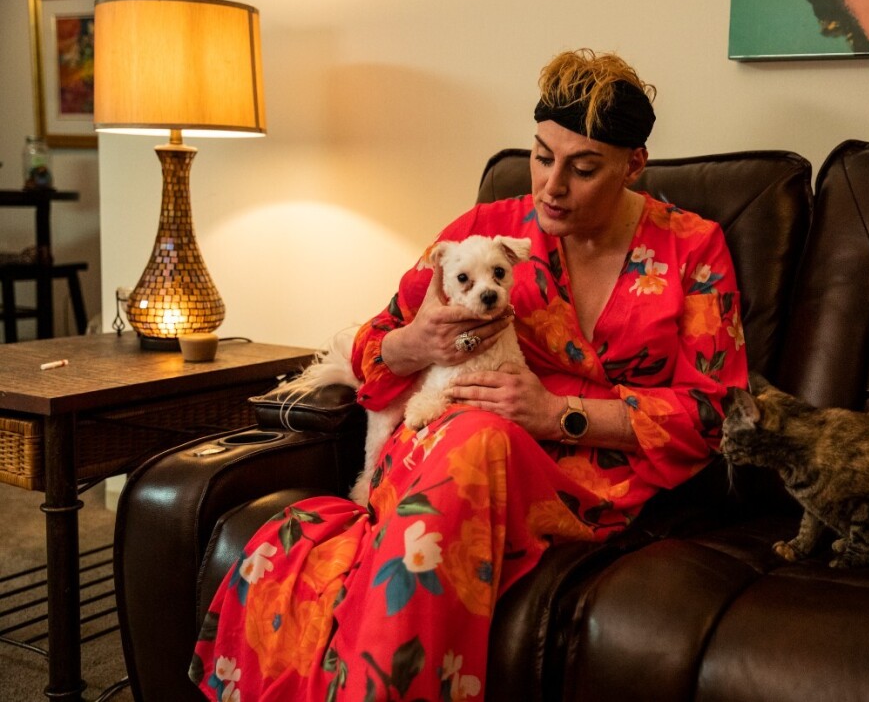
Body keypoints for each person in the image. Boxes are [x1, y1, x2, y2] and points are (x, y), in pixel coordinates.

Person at [191, 48, 749, 701]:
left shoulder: (692, 246)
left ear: (633, 164)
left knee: (479, 437)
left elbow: (716, 414)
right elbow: (373, 354)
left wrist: (557, 412)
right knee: (473, 436)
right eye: (541, 155)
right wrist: (414, 339)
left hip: (585, 482)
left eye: (583, 167)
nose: (550, 185)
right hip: (439, 447)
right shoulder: (485, 231)